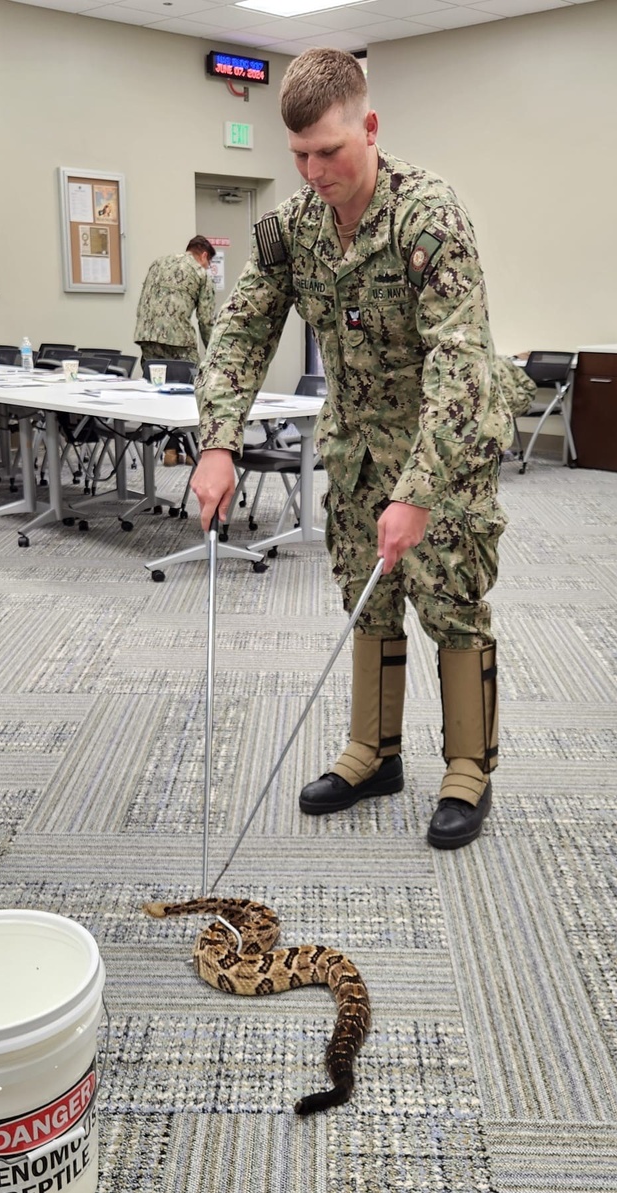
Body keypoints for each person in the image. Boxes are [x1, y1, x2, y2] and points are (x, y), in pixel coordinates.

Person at [192, 49, 512, 850]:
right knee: (367, 599)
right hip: (357, 451)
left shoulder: (428, 217)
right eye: (298, 155)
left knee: (452, 603)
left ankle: (468, 769)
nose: (313, 171)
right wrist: (219, 441)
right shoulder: (294, 228)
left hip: (443, 449)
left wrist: (421, 490)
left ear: (369, 128)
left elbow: (459, 362)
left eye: (329, 151)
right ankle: (373, 752)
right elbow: (243, 329)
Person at [134, 235, 217, 463]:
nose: (208, 266)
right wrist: (214, 353)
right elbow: (206, 320)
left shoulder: (158, 263)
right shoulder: (201, 273)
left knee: (159, 392)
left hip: (147, 335)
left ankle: (170, 450)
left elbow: (143, 300)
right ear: (203, 255)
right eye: (209, 262)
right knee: (192, 391)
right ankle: (192, 451)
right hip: (179, 339)